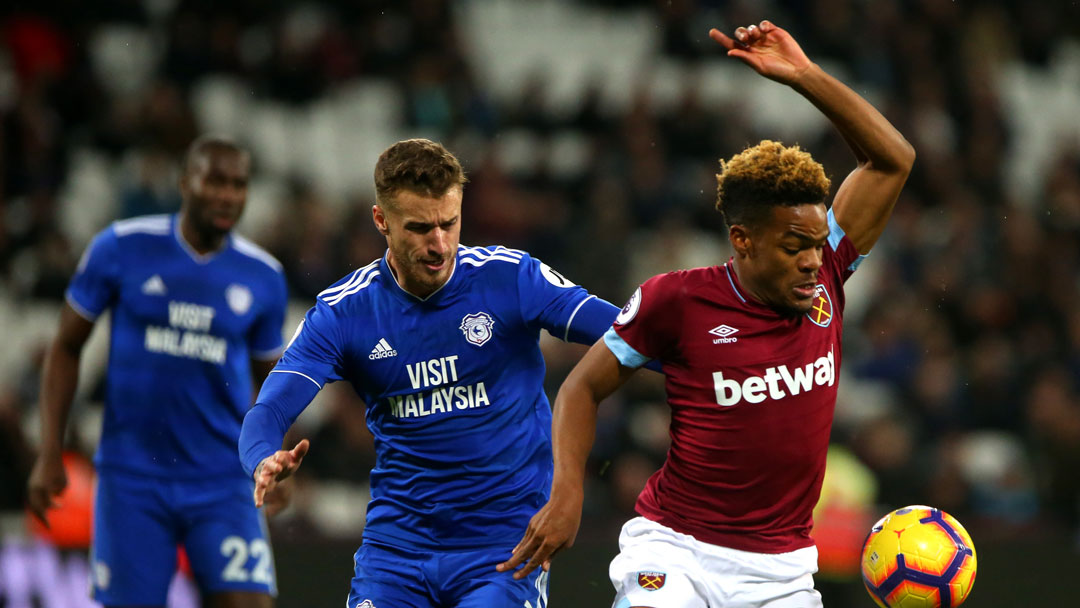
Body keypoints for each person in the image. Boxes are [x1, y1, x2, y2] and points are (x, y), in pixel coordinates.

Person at [500, 20, 915, 608]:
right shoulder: (677, 300)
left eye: (818, 244)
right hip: (676, 550)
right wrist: (566, 489)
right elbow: (582, 389)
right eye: (794, 247)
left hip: (783, 571)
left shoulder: (827, 278)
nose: (811, 262)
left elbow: (893, 160)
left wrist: (804, 77)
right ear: (743, 240)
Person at [238, 138, 654, 608]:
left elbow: (633, 334)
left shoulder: (510, 279)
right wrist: (262, 459)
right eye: (418, 228)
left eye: (449, 223)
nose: (439, 245)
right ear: (382, 222)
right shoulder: (344, 313)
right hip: (396, 552)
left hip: (504, 551)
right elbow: (269, 409)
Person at [27, 136, 289, 608]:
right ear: (185, 182)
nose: (228, 195)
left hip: (222, 480)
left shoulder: (263, 276)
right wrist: (51, 452)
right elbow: (66, 347)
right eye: (215, 181)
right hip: (133, 479)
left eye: (239, 185)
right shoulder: (121, 247)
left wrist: (272, 456)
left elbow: (275, 381)